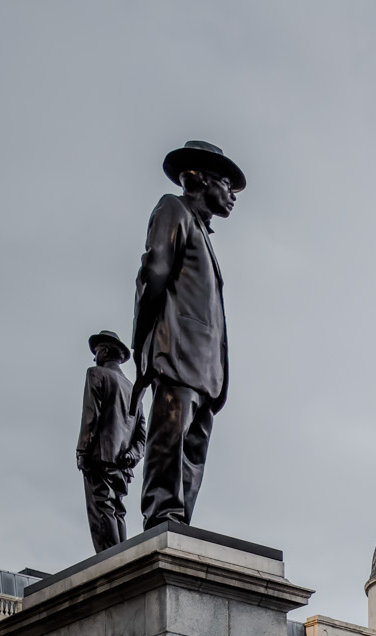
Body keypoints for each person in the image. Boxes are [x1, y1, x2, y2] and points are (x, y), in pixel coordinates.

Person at [132, 140, 245, 529]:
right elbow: (154, 273)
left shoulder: (201, 230)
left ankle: (179, 525)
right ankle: (162, 517)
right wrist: (142, 346)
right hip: (176, 355)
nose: (232, 194)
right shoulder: (173, 209)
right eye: (226, 183)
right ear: (201, 179)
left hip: (204, 369)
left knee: (192, 454)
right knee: (169, 441)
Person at [76, 330, 146, 553]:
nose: (94, 357)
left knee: (102, 507)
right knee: (117, 509)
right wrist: (132, 455)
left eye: (96, 351)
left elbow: (91, 416)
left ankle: (110, 560)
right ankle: (121, 556)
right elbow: (141, 436)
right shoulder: (133, 389)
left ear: (105, 351)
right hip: (123, 464)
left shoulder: (96, 374)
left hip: (100, 455)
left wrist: (82, 451)